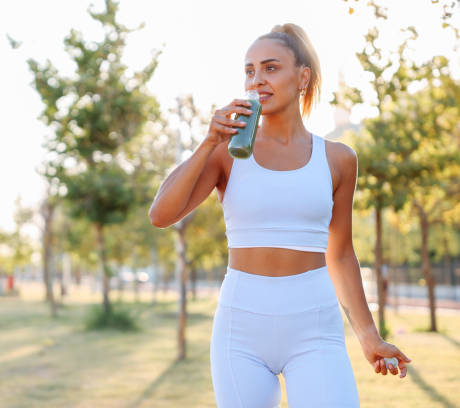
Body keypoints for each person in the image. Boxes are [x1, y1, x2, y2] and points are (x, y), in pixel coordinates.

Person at [148, 23, 412, 407]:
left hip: (315, 324)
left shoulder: (339, 159)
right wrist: (208, 142)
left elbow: (339, 254)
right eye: (250, 70)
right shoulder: (226, 152)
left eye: (271, 68)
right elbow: (160, 214)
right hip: (241, 326)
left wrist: (369, 337)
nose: (257, 80)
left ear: (303, 77)